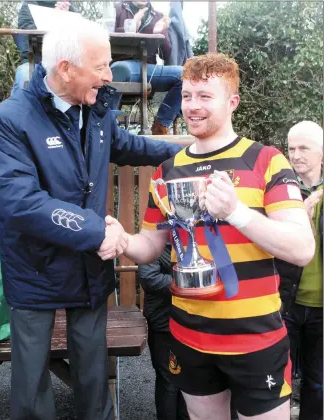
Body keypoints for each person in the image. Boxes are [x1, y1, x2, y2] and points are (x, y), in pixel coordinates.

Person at [98, 53, 316, 420]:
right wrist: (123, 240)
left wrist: (236, 213)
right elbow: (152, 245)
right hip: (189, 334)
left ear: (232, 102)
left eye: (204, 96)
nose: (192, 107)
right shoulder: (168, 170)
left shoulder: (266, 160)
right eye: (186, 96)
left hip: (256, 338)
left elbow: (302, 249)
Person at [0, 20, 182, 420]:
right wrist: (99, 232)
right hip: (35, 270)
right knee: (31, 389)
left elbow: (128, 145)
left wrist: (187, 153)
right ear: (65, 68)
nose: (110, 76)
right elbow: (22, 203)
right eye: (102, 66)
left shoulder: (97, 108)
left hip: (89, 267)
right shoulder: (8, 120)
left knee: (94, 379)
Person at [276, 121, 323, 420]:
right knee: (278, 379)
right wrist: (298, 215)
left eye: (304, 148)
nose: (296, 155)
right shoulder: (280, 190)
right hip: (285, 301)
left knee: (318, 383)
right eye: (291, 148)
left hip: (321, 307)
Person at [110, 1, 183, 135]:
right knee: (120, 70)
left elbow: (166, 53)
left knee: (184, 74)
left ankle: (161, 124)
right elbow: (106, 35)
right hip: (121, 63)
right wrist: (132, 24)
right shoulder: (118, 8)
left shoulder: (158, 16)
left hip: (148, 68)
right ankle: (106, 125)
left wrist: (160, 33)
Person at [138, 244, 190, 420]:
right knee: (169, 380)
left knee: (189, 379)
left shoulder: (195, 234)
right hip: (165, 321)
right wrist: (189, 281)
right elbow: (149, 278)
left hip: (192, 322)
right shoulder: (155, 239)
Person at [12, 0, 80, 94]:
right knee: (25, 75)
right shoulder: (30, 4)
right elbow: (28, 33)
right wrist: (53, 18)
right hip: (35, 60)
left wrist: (67, 17)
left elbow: (81, 34)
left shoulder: (70, 7)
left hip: (63, 61)